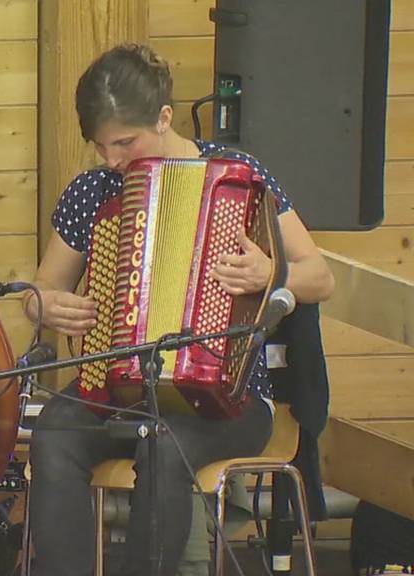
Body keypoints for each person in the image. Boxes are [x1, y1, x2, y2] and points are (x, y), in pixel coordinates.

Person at [22, 44, 334, 576]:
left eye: (125, 141)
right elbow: (39, 291)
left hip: (226, 397)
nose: (112, 160)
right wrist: (49, 307)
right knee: (54, 432)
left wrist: (270, 274)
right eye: (100, 146)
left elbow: (321, 276)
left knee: (163, 444)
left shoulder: (239, 177)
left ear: (164, 117)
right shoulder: (92, 192)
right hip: (119, 388)